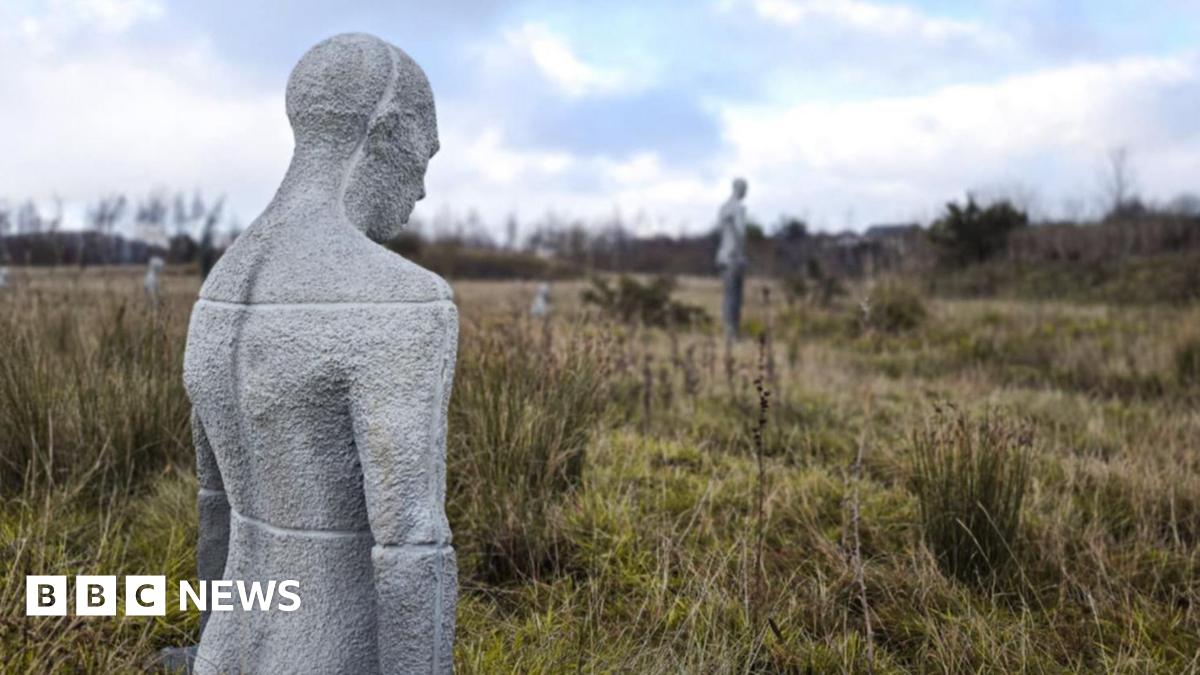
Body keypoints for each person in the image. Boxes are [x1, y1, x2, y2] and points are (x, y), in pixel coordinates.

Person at [715, 177, 748, 339]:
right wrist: (741, 255)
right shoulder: (738, 208)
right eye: (745, 189)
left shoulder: (723, 208)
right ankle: (732, 333)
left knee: (728, 296)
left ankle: (728, 330)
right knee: (735, 296)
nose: (746, 192)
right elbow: (740, 233)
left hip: (722, 255)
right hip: (733, 257)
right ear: (738, 188)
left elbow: (720, 232)